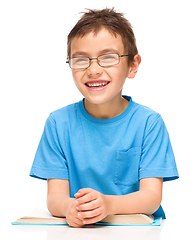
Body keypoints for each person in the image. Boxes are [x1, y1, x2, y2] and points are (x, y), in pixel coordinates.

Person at [30, 8, 179, 228]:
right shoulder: (58, 123)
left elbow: (151, 197)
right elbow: (55, 197)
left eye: (108, 58)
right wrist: (68, 207)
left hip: (138, 232)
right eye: (81, 60)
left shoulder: (149, 123)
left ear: (133, 65)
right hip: (82, 232)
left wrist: (108, 205)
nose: (93, 70)